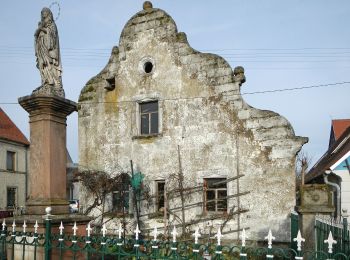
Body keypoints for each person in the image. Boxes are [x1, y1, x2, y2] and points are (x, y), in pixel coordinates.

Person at [34, 7, 63, 96]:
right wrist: (40, 29)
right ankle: (46, 81)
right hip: (41, 49)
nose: (43, 14)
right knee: (43, 66)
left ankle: (55, 84)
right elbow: (35, 35)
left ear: (49, 13)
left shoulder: (52, 25)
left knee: (50, 65)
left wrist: (42, 29)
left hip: (48, 49)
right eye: (42, 12)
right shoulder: (41, 24)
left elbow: (52, 36)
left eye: (45, 12)